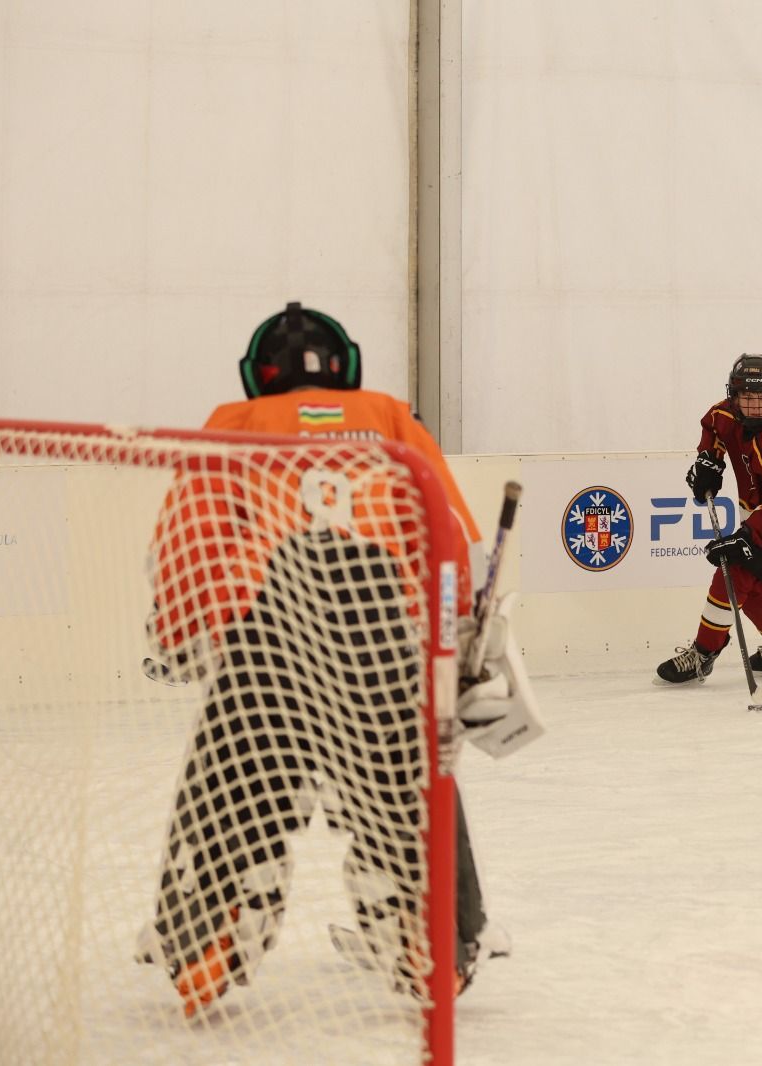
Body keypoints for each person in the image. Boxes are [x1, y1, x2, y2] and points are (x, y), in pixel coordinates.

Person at [139, 303, 523, 1015]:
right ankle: (437, 932)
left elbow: (189, 542)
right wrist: (457, 641)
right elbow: (451, 540)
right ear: (344, 365)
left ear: (260, 373)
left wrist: (177, 632)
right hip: (376, 639)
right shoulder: (391, 419)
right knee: (416, 785)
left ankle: (204, 936)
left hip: (266, 639)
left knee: (225, 777)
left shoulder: (235, 423)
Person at [656, 354, 762, 684]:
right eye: (748, 398)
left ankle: (704, 653)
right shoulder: (724, 413)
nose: (756, 406)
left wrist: (747, 539)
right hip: (756, 507)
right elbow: (712, 429)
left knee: (735, 572)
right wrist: (708, 462)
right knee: (753, 585)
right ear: (735, 396)